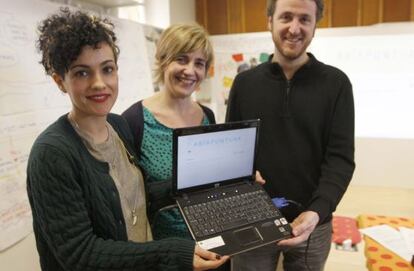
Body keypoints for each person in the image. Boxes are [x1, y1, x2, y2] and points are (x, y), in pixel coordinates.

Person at [27, 8, 228, 271]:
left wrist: (220, 180)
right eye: (82, 73)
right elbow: (80, 254)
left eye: (107, 69)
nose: (99, 83)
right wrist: (172, 252)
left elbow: (140, 193)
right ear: (60, 81)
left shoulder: (117, 126)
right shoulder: (52, 153)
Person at [226, 0, 355, 270]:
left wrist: (316, 211)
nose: (294, 28)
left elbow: (340, 160)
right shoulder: (244, 83)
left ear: (315, 26)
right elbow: (235, 150)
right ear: (269, 21)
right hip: (252, 220)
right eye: (286, 17)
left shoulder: (337, 84)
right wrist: (243, 173)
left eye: (304, 19)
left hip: (313, 222)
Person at [122, 24, 216, 240]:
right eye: (181, 59)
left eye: (199, 63)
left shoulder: (207, 117)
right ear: (163, 60)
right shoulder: (134, 121)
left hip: (212, 239)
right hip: (164, 250)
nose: (190, 71)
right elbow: (128, 199)